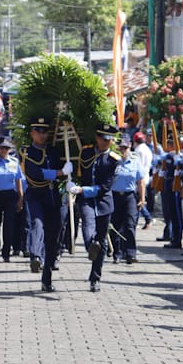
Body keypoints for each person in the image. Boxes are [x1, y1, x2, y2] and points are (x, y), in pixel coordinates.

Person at [21, 117, 72, 291]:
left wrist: (70, 178)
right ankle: (35, 256)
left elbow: (68, 164)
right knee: (37, 223)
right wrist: (60, 172)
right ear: (32, 133)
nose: (42, 135)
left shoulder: (54, 150)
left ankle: (47, 279)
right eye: (38, 132)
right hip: (35, 194)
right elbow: (35, 173)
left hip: (53, 196)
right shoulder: (26, 152)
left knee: (53, 238)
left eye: (45, 132)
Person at [68, 124, 120, 292]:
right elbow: (78, 171)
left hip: (103, 202)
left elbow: (106, 186)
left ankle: (95, 278)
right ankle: (91, 246)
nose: (105, 142)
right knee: (87, 223)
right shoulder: (86, 152)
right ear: (97, 138)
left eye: (108, 140)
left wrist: (83, 190)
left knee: (102, 240)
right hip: (85, 200)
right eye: (102, 139)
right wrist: (71, 182)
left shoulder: (113, 160)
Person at [110, 134, 146, 264]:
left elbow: (141, 181)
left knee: (130, 224)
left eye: (125, 148)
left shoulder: (135, 161)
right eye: (121, 148)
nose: (123, 151)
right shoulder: (114, 162)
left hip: (129, 196)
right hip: (115, 196)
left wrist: (142, 198)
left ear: (130, 147)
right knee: (115, 226)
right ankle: (117, 253)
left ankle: (130, 253)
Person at [132, 131, 153, 229]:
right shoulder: (147, 149)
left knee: (138, 199)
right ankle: (143, 219)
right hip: (146, 176)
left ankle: (147, 217)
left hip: (139, 178)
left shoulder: (138, 150)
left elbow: (136, 166)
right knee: (139, 199)